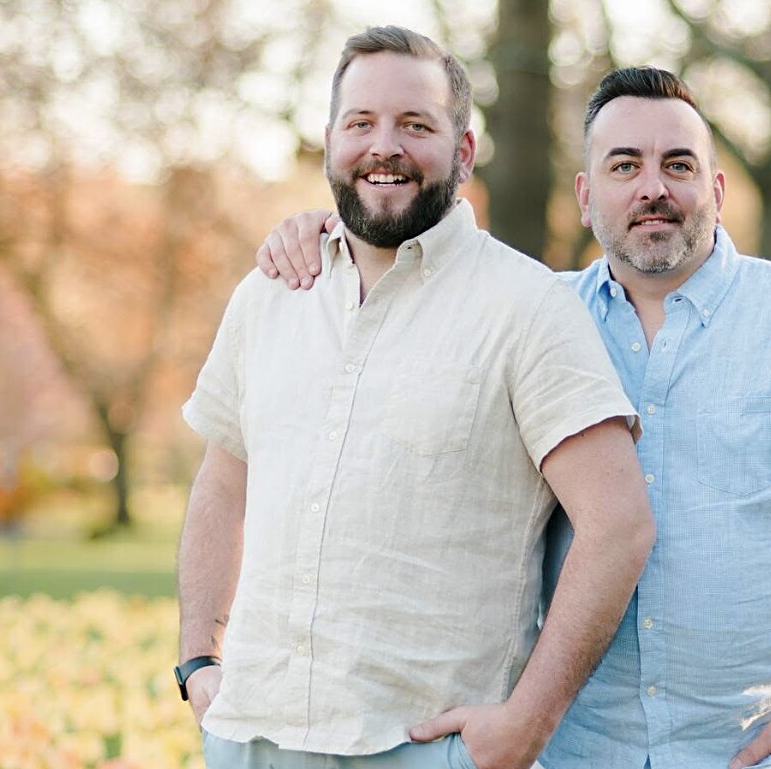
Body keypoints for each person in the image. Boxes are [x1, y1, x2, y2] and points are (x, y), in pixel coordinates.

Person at [258, 67, 771, 769]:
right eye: (624, 166)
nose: (653, 189)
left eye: (678, 165)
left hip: (754, 752)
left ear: (717, 191)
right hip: (570, 751)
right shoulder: (532, 318)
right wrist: (322, 230)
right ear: (585, 196)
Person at [177, 27, 655, 769]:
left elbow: (618, 524)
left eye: (416, 125)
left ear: (463, 152)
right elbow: (221, 483)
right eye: (360, 123)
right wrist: (198, 657)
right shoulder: (269, 294)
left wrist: (528, 720)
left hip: (423, 747)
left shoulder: (526, 307)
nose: (384, 146)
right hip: (251, 734)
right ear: (331, 141)